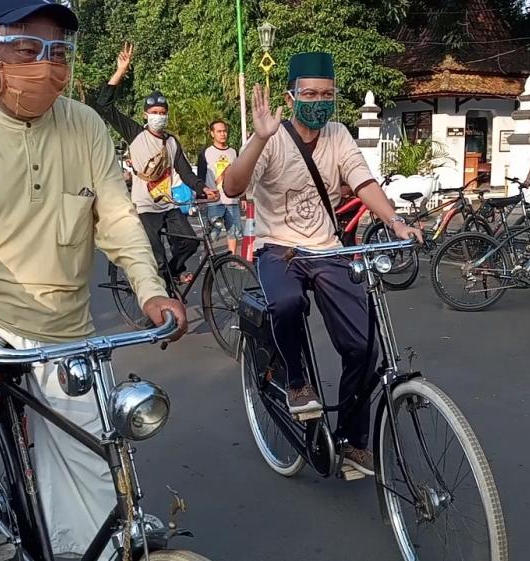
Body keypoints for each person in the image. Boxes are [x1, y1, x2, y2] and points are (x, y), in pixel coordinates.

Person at [0, 2, 186, 560]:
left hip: (66, 330)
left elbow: (118, 217)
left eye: (60, 52)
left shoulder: (86, 125)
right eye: (28, 50)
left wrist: (151, 288)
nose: (48, 67)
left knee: (99, 528)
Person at [221, 52, 423, 476]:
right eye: (310, 93)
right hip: (279, 248)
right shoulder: (272, 138)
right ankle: (297, 381)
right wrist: (257, 138)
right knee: (287, 303)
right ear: (291, 96)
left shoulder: (338, 135)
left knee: (364, 345)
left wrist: (394, 221)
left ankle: (353, 442)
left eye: (326, 94)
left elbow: (362, 179)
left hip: (328, 249)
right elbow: (232, 185)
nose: (318, 100)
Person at [89, 42, 216, 286]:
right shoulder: (136, 133)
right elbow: (103, 105)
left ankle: (171, 274)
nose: (159, 115)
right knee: (155, 259)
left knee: (189, 242)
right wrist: (120, 72)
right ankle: (157, 310)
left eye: (162, 111)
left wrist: (202, 188)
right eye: (154, 112)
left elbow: (185, 172)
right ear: (146, 115)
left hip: (168, 205)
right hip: (145, 208)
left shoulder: (171, 142)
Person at [197, 119, 242, 255]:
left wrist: (243, 196)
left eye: (224, 131)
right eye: (219, 131)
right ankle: (207, 257)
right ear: (212, 134)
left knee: (233, 231)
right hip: (214, 200)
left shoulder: (233, 152)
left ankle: (232, 258)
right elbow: (201, 176)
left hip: (232, 200)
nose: (223, 134)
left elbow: (239, 175)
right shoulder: (206, 152)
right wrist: (201, 197)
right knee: (214, 232)